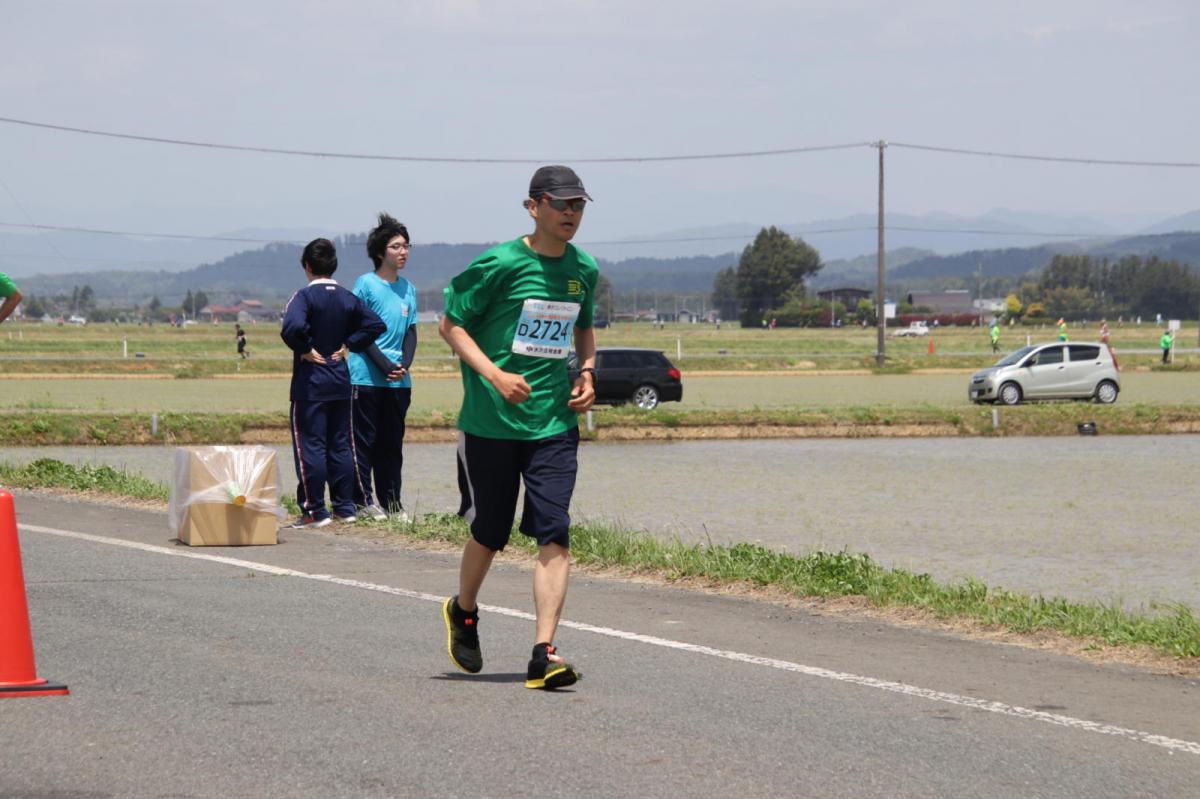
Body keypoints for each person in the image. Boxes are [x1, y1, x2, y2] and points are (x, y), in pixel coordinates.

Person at [439, 164, 598, 691]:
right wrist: (494, 374)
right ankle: (463, 611)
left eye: (578, 205)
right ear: (534, 207)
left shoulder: (583, 269)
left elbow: (584, 327)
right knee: (491, 531)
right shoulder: (501, 262)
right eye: (561, 204)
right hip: (491, 421)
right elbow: (450, 323)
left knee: (554, 530)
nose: (571, 213)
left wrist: (589, 372)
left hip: (552, 422)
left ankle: (543, 652)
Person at [280, 238, 385, 529]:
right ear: (333, 265)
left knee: (310, 446)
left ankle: (315, 510)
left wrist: (304, 348)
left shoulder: (302, 297)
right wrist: (350, 344)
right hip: (340, 379)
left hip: (310, 383)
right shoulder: (347, 297)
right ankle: (344, 507)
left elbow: (291, 327)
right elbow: (375, 324)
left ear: (307, 266)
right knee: (341, 445)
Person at [348, 213, 419, 522]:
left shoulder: (409, 289)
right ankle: (364, 502)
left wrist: (403, 364)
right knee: (364, 443)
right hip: (365, 377)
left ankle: (393, 504)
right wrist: (383, 363)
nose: (402, 252)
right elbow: (355, 333)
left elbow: (411, 332)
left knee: (392, 446)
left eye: (406, 246)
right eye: (395, 246)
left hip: (398, 382)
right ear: (380, 252)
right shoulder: (365, 285)